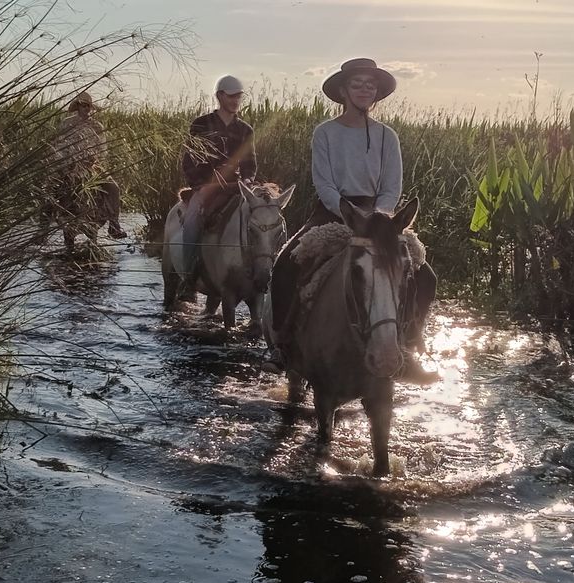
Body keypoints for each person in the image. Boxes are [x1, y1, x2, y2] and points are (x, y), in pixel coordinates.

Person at [262, 58, 437, 379]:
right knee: (286, 264)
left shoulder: (388, 137)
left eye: (370, 85)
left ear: (377, 93)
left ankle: (409, 339)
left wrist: (378, 217)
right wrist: (348, 214)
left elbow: (392, 186)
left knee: (425, 274)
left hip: (380, 218)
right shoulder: (325, 133)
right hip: (332, 212)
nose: (365, 89)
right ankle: (282, 344)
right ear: (343, 90)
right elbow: (324, 182)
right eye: (357, 84)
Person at [180, 75, 257, 286]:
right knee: (193, 218)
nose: (235, 101)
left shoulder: (245, 130)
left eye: (238, 97)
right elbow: (189, 160)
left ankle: (257, 271)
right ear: (219, 96)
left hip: (235, 187)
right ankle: (189, 274)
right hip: (208, 186)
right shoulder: (201, 124)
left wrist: (249, 180)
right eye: (231, 96)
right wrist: (199, 186)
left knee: (261, 215)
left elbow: (249, 163)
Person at [48, 91, 127, 239]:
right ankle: (43, 228)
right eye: (83, 105)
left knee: (113, 188)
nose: (86, 108)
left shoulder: (97, 126)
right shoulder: (67, 123)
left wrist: (94, 159)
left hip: (91, 166)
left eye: (88, 106)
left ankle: (114, 225)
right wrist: (68, 162)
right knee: (49, 189)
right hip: (70, 167)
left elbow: (102, 149)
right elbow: (60, 145)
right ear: (78, 106)